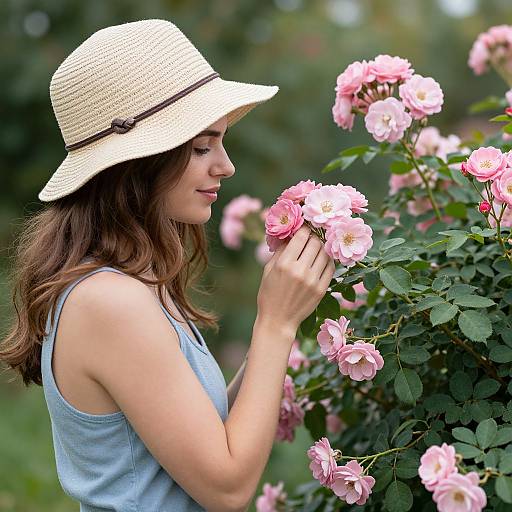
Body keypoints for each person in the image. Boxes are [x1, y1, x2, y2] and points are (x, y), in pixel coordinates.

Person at [0, 19, 335, 512]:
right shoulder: (108, 301)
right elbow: (227, 487)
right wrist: (275, 323)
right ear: (138, 162)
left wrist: (290, 306)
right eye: (201, 147)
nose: (225, 165)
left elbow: (208, 435)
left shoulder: (131, 285)